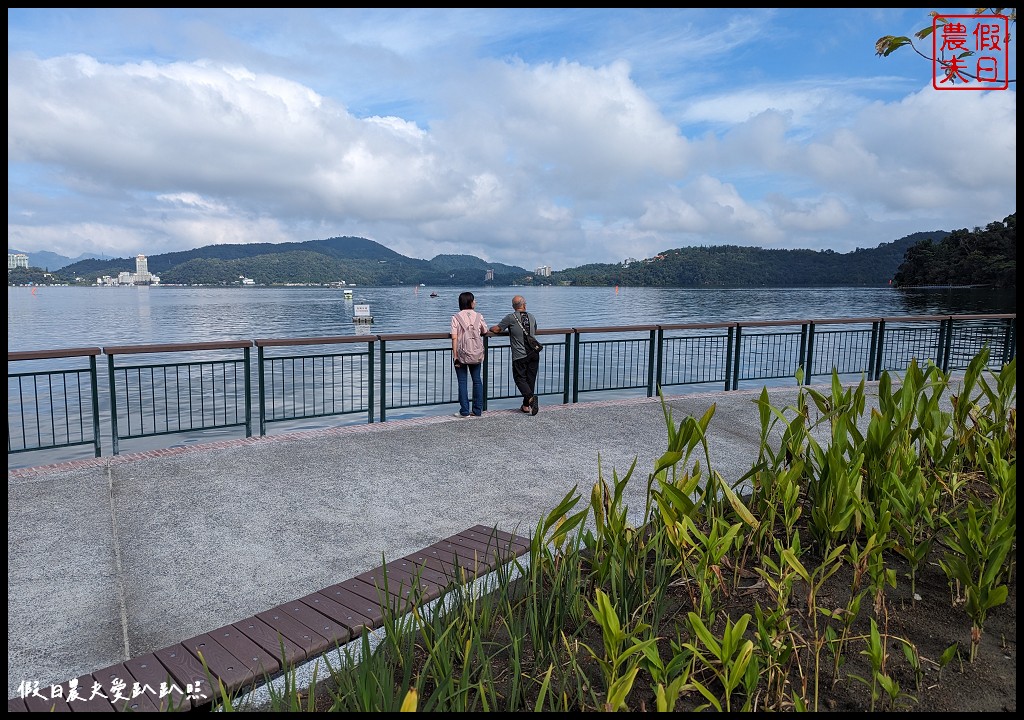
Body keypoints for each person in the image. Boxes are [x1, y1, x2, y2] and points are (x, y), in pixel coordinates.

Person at [491, 295, 540, 415]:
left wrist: (490, 328)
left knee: (519, 378)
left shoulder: (511, 317)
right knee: (530, 380)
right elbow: (534, 330)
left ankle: (531, 398)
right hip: (534, 352)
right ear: (524, 305)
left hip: (520, 354)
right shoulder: (532, 316)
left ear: (513, 307)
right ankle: (526, 405)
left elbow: (497, 329)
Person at [450, 291, 488, 417]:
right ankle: (477, 410)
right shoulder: (478, 316)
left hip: (461, 354)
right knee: (477, 381)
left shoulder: (456, 317)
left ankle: (464, 411)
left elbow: (454, 338)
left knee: (462, 382)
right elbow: (485, 330)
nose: (475, 302)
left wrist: (455, 356)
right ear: (470, 302)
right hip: (476, 353)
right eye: (474, 300)